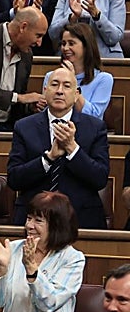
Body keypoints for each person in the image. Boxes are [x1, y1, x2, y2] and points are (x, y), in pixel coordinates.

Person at [7, 68, 110, 230]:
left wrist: (72, 148)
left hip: (80, 219)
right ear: (45, 91)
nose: (60, 91)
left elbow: (100, 178)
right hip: (34, 219)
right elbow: (14, 178)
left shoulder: (95, 128)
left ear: (76, 94)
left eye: (67, 86)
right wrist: (48, 158)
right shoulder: (24, 127)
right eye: (55, 85)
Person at [0, 191, 85, 312]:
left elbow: (49, 302)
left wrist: (31, 269)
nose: (29, 226)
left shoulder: (72, 259)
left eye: (38, 220)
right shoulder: (12, 250)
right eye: (28, 218)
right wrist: (2, 268)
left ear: (57, 226)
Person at [48, 22, 113, 119]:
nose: (65, 48)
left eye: (71, 43)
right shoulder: (51, 76)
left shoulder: (103, 79)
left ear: (86, 46)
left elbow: (93, 116)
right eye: (63, 43)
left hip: (86, 132)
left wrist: (72, 80)